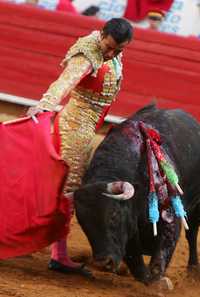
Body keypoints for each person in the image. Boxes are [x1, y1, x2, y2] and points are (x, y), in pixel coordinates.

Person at [27, 18, 133, 276]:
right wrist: (44, 105)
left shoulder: (113, 52)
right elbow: (65, 82)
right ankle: (58, 256)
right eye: (108, 47)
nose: (110, 53)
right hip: (73, 129)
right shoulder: (88, 52)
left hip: (86, 129)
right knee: (68, 189)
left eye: (117, 50)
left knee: (61, 187)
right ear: (102, 35)